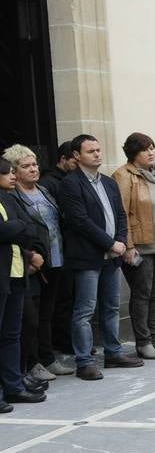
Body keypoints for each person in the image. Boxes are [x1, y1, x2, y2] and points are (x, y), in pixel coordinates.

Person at [59, 135, 141, 378]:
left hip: (112, 255)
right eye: (90, 151)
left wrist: (122, 242)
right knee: (85, 310)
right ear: (77, 155)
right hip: (87, 257)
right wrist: (110, 243)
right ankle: (84, 361)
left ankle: (113, 353)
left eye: (98, 149)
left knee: (111, 306)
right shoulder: (70, 183)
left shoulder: (107, 182)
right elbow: (80, 221)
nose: (97, 154)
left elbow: (120, 214)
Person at [113, 133, 155, 360]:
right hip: (140, 247)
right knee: (143, 294)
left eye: (153, 148)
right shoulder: (124, 176)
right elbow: (121, 213)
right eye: (146, 150)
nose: (152, 153)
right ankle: (143, 342)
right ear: (134, 154)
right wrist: (128, 245)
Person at [4, 145, 66, 382]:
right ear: (14, 171)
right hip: (29, 265)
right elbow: (21, 230)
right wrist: (30, 256)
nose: (33, 169)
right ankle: (31, 364)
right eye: (25, 166)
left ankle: (47, 358)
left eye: (34, 164)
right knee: (29, 317)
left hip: (53, 259)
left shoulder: (44, 190)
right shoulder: (11, 197)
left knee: (46, 314)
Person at [0, 158, 46, 409]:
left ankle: (13, 386)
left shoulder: (10, 197)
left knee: (11, 334)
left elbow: (30, 228)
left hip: (17, 274)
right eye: (6, 172)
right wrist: (15, 228)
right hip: (2, 275)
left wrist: (13, 228)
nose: (12, 176)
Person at [39, 140, 77, 362]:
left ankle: (69, 339)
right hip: (55, 252)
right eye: (74, 161)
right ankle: (62, 341)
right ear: (63, 160)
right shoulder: (49, 183)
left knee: (70, 297)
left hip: (68, 250)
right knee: (61, 300)